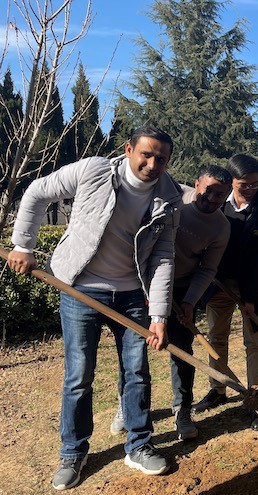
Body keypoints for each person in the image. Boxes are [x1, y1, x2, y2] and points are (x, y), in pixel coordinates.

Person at [8, 126, 182, 490]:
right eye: (146, 155)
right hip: (79, 288)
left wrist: (159, 315)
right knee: (78, 375)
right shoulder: (94, 171)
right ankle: (73, 452)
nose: (152, 164)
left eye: (161, 159)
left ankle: (138, 445)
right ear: (129, 148)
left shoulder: (169, 197)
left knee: (136, 372)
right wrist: (23, 244)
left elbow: (164, 256)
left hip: (134, 295)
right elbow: (38, 192)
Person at [109, 165, 231, 440]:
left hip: (182, 288)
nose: (212, 199)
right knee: (132, 350)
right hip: (140, 283)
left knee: (182, 351)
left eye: (220, 195)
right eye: (208, 191)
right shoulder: (174, 200)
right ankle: (126, 407)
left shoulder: (221, 227)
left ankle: (182, 409)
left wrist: (189, 302)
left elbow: (207, 269)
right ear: (197, 184)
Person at [192, 154, 258, 431]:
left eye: (255, 184)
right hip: (218, 283)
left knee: (255, 344)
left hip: (254, 288)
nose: (251, 189)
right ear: (231, 181)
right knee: (216, 337)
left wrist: (251, 298)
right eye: (245, 184)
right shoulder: (218, 206)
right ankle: (218, 388)